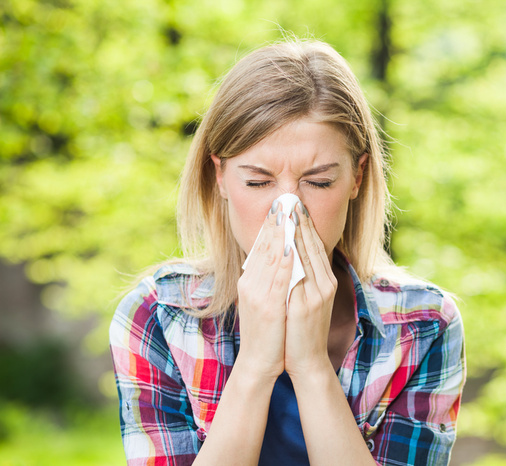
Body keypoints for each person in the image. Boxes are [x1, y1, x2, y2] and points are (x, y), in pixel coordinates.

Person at [109, 39, 466, 466]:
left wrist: (312, 366)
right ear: (219, 176)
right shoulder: (158, 316)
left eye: (318, 182)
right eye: (258, 183)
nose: (289, 210)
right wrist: (257, 364)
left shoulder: (425, 325)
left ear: (357, 177)